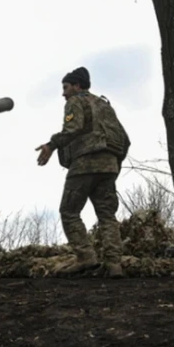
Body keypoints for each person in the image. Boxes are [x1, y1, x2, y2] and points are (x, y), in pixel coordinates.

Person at [35, 66, 129, 278]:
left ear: (77, 86)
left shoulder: (75, 101)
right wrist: (114, 164)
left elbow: (72, 129)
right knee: (107, 215)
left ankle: (86, 257)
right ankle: (114, 265)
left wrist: (51, 145)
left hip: (84, 165)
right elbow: (125, 139)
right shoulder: (105, 106)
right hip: (109, 166)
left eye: (66, 87)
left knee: (69, 211)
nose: (63, 93)